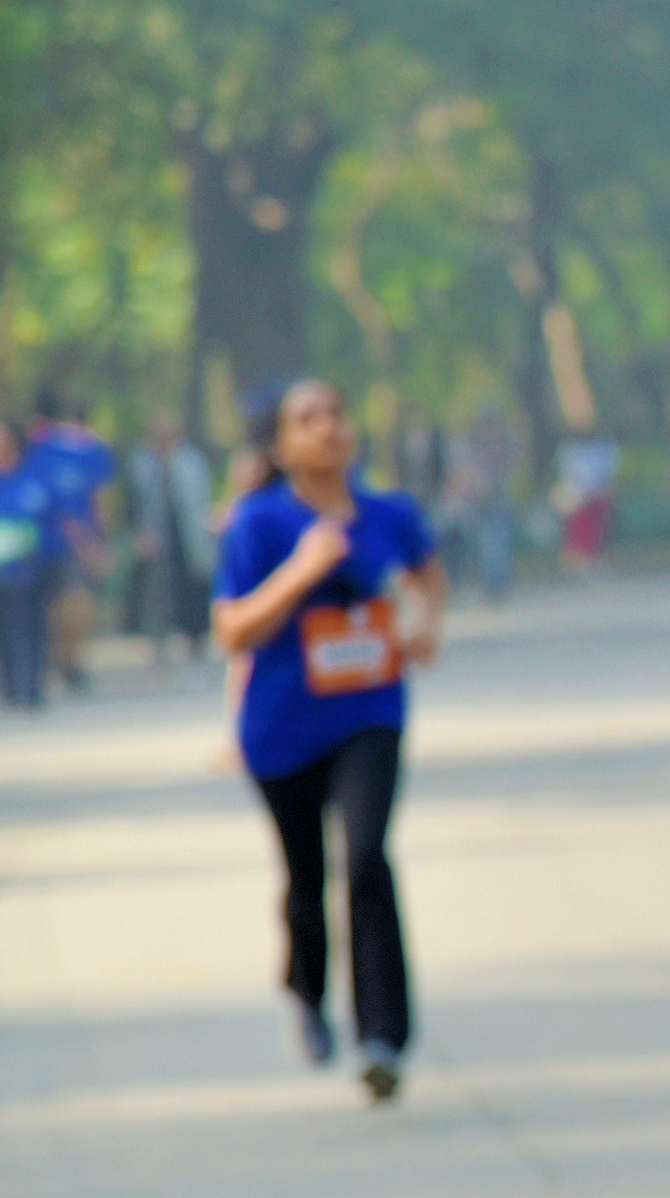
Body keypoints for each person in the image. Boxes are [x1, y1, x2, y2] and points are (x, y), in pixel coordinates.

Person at [211, 379, 447, 1104]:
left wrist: (424, 624)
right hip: (283, 727)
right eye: (307, 419)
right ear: (283, 445)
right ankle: (307, 991)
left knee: (368, 856)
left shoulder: (389, 513)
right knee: (306, 877)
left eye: (336, 414)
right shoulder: (259, 522)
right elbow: (233, 629)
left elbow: (427, 573)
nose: (327, 428)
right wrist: (302, 572)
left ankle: (383, 1037)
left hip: (369, 711)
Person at [27, 392, 116, 694]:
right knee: (71, 602)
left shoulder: (42, 446)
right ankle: (66, 662)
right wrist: (98, 540)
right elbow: (101, 501)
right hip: (62, 540)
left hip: (60, 541)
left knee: (68, 602)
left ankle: (67, 662)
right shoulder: (88, 449)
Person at [125, 413, 217, 661]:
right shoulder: (142, 463)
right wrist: (139, 533)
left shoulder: (191, 461)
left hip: (188, 533)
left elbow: (202, 497)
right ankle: (158, 640)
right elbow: (133, 503)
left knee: (193, 586)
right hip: (156, 534)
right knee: (157, 590)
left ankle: (195, 638)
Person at [0, 418, 65, 709]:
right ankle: (12, 686)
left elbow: (55, 519)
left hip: (30, 569)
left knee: (29, 626)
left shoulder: (33, 480)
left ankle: (31, 685)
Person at [551, 433, 616, 579]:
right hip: (577, 495)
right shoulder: (569, 449)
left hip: (597, 495)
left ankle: (594, 563)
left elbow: (606, 473)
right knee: (577, 532)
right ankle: (577, 564)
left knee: (597, 532)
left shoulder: (603, 447)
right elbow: (567, 473)